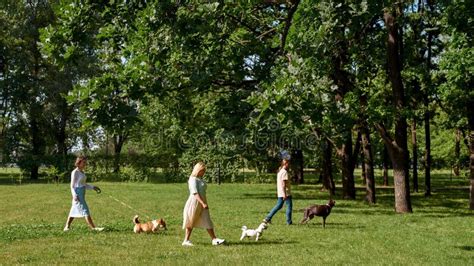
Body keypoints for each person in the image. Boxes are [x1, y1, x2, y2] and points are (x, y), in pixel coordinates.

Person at [182, 162, 225, 246]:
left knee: (207, 219)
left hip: (202, 202)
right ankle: (186, 241)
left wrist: (204, 202)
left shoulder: (199, 179)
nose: (204, 172)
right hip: (194, 202)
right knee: (191, 220)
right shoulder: (192, 179)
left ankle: (214, 239)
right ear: (198, 170)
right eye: (202, 171)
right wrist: (202, 203)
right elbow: (194, 193)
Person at [63, 156, 104, 232]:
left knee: (74, 210)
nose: (85, 164)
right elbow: (72, 186)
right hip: (77, 194)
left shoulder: (82, 172)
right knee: (85, 210)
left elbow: (83, 184)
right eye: (84, 162)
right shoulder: (75, 172)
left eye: (85, 162)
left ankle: (67, 227)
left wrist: (93, 187)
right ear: (79, 162)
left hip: (82, 193)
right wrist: (74, 195)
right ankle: (94, 228)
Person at [263, 159, 293, 225]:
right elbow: (283, 184)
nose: (289, 165)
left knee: (278, 206)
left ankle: (267, 218)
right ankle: (289, 222)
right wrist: (285, 194)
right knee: (289, 207)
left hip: (280, 192)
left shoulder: (280, 171)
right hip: (286, 193)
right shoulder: (284, 172)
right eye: (288, 164)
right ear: (285, 164)